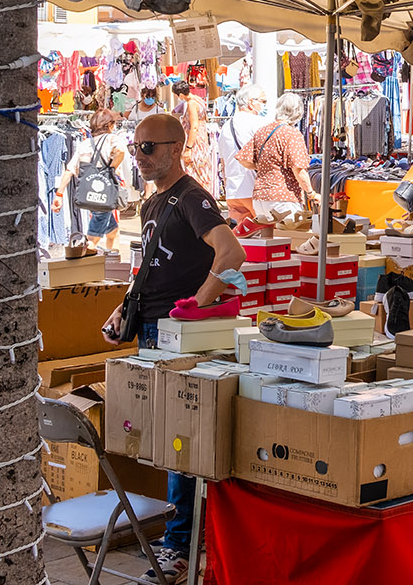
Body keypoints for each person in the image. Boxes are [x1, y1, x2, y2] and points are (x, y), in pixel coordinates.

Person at [100, 113, 244, 584]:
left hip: (177, 337)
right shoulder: (153, 204)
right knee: (165, 440)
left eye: (150, 148)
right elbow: (151, 270)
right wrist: (126, 308)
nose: (140, 157)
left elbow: (231, 252)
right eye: (136, 146)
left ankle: (179, 548)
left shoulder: (191, 197)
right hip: (153, 332)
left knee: (179, 442)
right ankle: (181, 541)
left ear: (176, 147)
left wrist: (196, 306)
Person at [51, 108, 128, 253]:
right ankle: (83, 267)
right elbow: (121, 151)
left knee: (113, 232)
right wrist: (111, 168)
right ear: (109, 125)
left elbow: (70, 170)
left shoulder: (85, 144)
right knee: (92, 239)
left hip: (89, 194)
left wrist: (59, 195)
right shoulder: (112, 140)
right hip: (104, 196)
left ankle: (111, 261)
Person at [236, 93, 319, 221]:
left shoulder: (263, 131)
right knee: (292, 238)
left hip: (260, 198)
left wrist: (264, 165)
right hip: (284, 198)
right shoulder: (292, 134)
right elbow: (298, 169)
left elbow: (243, 159)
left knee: (270, 238)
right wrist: (311, 193)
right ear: (298, 113)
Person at [215, 85, 267, 222]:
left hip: (233, 191)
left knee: (241, 237)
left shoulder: (226, 126)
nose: (264, 106)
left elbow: (224, 164)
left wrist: (227, 188)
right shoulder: (258, 123)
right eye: (263, 101)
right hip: (253, 189)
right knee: (266, 235)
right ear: (251, 102)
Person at [173, 82, 215, 195]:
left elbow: (194, 126)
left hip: (195, 142)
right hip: (202, 139)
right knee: (202, 171)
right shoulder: (198, 100)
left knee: (195, 171)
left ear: (181, 94)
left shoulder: (191, 104)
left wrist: (188, 148)